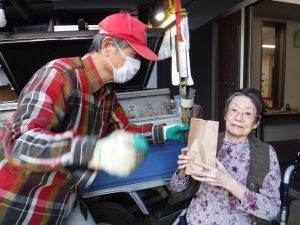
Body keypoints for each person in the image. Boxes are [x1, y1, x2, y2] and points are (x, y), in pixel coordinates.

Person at [0, 13, 189, 225]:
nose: (137, 65)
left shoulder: (106, 93)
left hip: (65, 196)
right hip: (24, 201)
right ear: (108, 45)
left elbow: (122, 130)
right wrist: (96, 151)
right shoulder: (59, 75)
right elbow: (20, 142)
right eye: (133, 56)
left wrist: (163, 131)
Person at [170, 88, 281, 225]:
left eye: (247, 113)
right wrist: (182, 171)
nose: (238, 118)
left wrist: (226, 181)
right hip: (194, 219)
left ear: (256, 122)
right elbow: (176, 189)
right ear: (225, 114)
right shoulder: (206, 140)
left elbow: (272, 210)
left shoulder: (265, 153)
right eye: (234, 110)